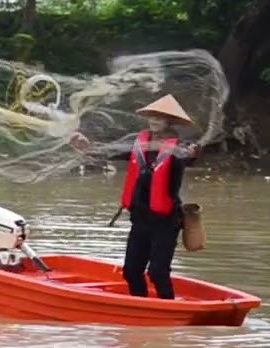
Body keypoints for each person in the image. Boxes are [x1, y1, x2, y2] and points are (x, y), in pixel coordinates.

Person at [68, 94, 200, 299]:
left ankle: (168, 311)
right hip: (140, 218)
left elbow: (190, 153)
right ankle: (140, 306)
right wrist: (86, 146)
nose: (154, 120)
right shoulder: (138, 142)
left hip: (166, 221)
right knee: (131, 271)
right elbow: (108, 150)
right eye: (152, 116)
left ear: (170, 121)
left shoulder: (179, 146)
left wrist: (193, 151)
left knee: (157, 273)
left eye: (160, 117)